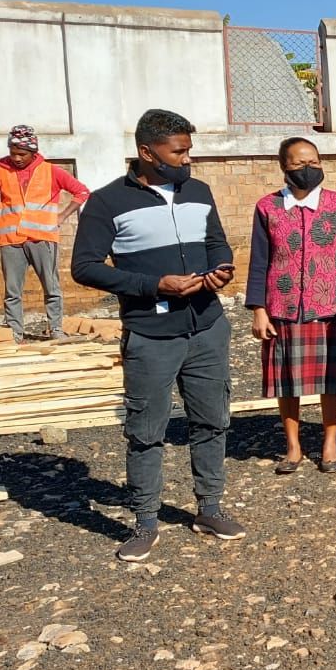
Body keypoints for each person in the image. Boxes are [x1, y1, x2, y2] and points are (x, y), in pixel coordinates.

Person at [72, 108, 243, 562]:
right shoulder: (107, 202)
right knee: (146, 431)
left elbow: (216, 241)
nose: (187, 159)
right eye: (179, 151)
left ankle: (209, 508)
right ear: (147, 153)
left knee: (212, 420)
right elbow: (84, 267)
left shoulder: (198, 191)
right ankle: (145, 521)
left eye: (188, 149)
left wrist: (221, 267)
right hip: (151, 334)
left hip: (207, 326)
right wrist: (153, 285)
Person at [244, 138, 336, 475]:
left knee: (332, 379)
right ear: (284, 166)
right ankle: (293, 447)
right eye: (299, 163)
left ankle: (330, 443)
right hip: (282, 307)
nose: (308, 168)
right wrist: (258, 308)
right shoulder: (267, 208)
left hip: (329, 306)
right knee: (287, 380)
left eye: (313, 161)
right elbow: (258, 260)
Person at [0, 124, 90, 342]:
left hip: (43, 239)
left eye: (22, 154)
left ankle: (56, 329)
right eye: (13, 153)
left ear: (33, 152)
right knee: (12, 291)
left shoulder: (51, 171)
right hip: (11, 240)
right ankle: (15, 333)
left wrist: (63, 216)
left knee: (51, 287)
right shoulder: (0, 171)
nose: (16, 158)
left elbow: (82, 192)